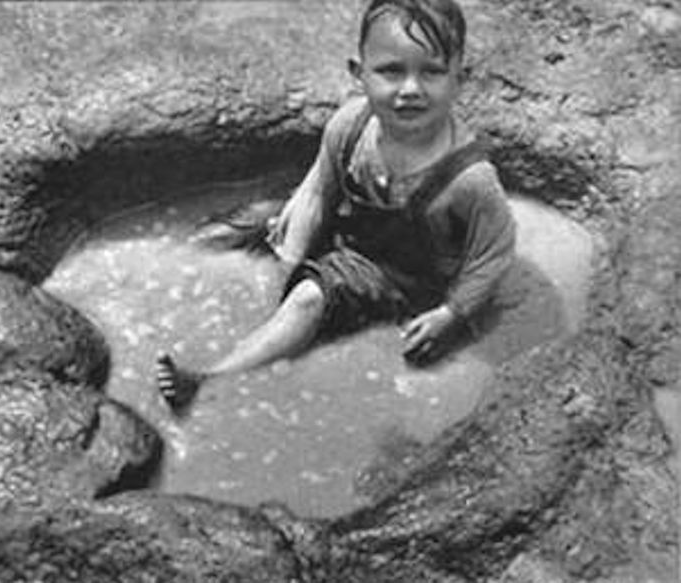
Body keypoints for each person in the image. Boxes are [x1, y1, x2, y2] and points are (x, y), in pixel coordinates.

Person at [156, 0, 516, 412]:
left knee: (310, 297)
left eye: (431, 72)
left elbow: (494, 256)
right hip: (349, 229)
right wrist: (288, 259)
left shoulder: (468, 178)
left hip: (400, 276)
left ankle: (207, 380)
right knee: (244, 225)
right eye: (391, 71)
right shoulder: (350, 125)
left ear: (459, 79)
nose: (411, 89)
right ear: (358, 74)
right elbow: (317, 194)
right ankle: (166, 260)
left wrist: (450, 314)